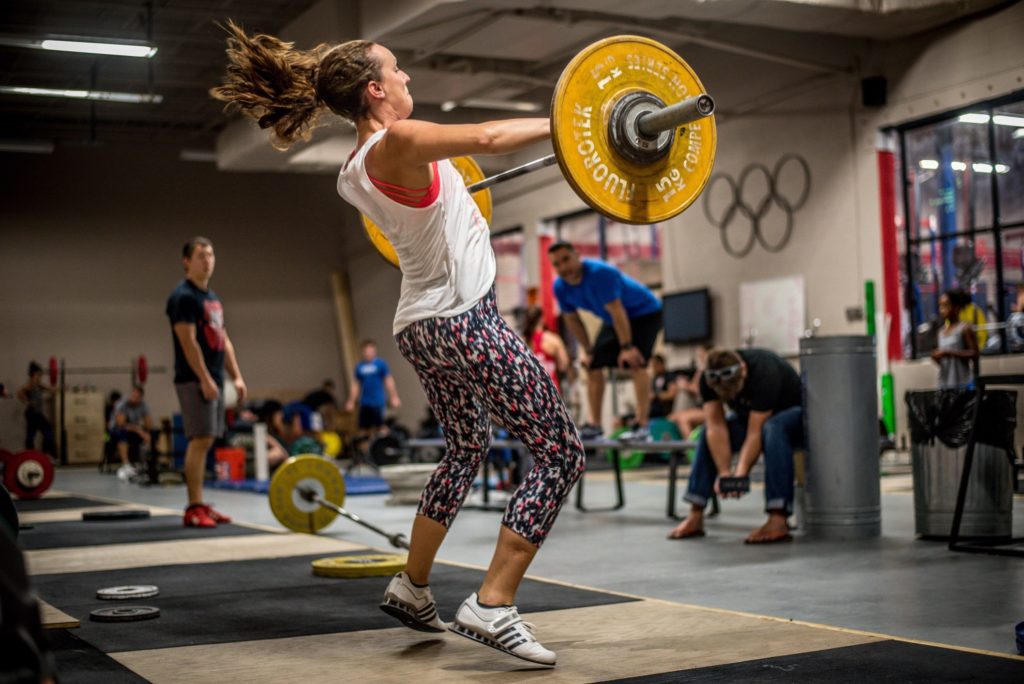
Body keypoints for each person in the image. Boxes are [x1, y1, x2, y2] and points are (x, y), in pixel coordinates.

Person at [211, 24, 584, 666]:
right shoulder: (403, 140)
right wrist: (574, 122)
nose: (409, 78)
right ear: (377, 89)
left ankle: (412, 587)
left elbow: (430, 209)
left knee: (466, 448)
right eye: (398, 71)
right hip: (467, 320)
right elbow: (490, 139)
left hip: (419, 326)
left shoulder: (354, 171)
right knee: (561, 454)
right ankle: (492, 603)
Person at [667, 347, 804, 544]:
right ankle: (695, 515)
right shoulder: (708, 379)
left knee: (772, 428)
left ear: (743, 370)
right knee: (706, 433)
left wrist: (741, 472)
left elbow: (755, 431)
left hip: (794, 417)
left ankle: (778, 518)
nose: (730, 398)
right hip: (751, 419)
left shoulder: (764, 371)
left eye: (734, 393)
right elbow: (716, 426)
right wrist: (724, 473)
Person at [166, 236, 247, 528]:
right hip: (193, 379)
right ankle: (193, 507)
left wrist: (236, 376)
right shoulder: (182, 297)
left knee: (208, 439)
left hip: (214, 378)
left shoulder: (212, 299)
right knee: (199, 439)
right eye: (201, 255)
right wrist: (203, 378)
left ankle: (200, 503)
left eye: (211, 254)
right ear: (187, 261)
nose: (207, 260)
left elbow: (223, 340)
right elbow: (188, 343)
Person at [547, 241, 663, 438]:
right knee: (593, 364)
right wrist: (589, 349)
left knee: (636, 362)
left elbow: (618, 311)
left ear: (577, 255)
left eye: (566, 260)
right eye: (557, 264)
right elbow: (573, 320)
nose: (563, 268)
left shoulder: (601, 274)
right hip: (613, 318)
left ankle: (642, 425)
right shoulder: (560, 287)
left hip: (645, 312)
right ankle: (595, 425)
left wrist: (627, 347)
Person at [344, 340, 401, 448]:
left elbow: (388, 380)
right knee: (365, 429)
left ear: (375, 351)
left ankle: (388, 448)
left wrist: (394, 397)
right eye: (366, 351)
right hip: (365, 402)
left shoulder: (380, 364)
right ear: (363, 352)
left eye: (371, 351)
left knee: (380, 427)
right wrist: (351, 401)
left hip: (378, 401)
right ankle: (368, 453)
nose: (369, 353)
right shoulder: (360, 366)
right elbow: (356, 384)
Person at [933, 289, 979, 389]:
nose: (942, 310)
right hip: (944, 384)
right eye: (940, 306)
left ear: (956, 307)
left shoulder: (964, 328)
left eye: (945, 306)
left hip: (963, 383)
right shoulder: (941, 332)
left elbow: (975, 354)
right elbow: (944, 362)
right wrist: (937, 357)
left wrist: (949, 353)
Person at [520, 305, 571, 392]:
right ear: (541, 319)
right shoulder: (554, 339)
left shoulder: (521, 341)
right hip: (551, 389)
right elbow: (563, 365)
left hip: (531, 391)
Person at [109, 385, 153, 481]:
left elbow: (149, 424)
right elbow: (121, 424)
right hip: (115, 430)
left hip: (133, 430)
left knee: (151, 435)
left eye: (137, 397)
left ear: (141, 398)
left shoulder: (143, 405)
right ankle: (126, 464)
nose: (134, 398)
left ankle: (144, 462)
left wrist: (146, 432)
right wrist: (139, 430)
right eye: (133, 395)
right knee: (122, 433)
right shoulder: (122, 404)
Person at [16, 362, 55, 456]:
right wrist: (28, 402)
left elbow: (51, 389)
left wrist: (61, 388)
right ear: (34, 374)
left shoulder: (38, 384)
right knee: (47, 430)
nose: (41, 376)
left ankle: (31, 454)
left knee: (31, 434)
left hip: (35, 413)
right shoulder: (31, 383)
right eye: (39, 374)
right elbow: (19, 392)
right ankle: (44, 453)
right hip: (33, 413)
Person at [648, 354, 677, 421]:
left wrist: (656, 396)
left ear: (661, 364)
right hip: (652, 408)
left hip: (663, 409)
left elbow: (672, 395)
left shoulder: (670, 376)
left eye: (655, 365)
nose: (653, 368)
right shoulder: (654, 378)